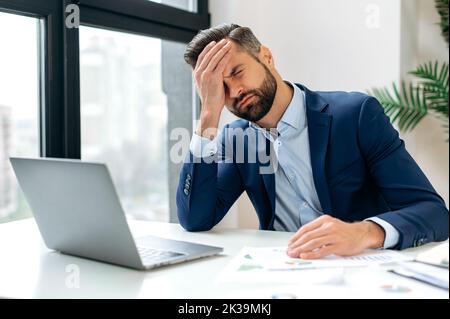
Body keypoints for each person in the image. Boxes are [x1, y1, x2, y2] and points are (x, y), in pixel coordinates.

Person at [176, 23, 449, 259]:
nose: (234, 90)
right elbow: (196, 219)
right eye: (218, 87)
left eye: (237, 72)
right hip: (278, 270)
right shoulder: (237, 139)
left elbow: (434, 213)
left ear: (266, 57)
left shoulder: (356, 115)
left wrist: (364, 232)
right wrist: (208, 116)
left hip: (357, 269)